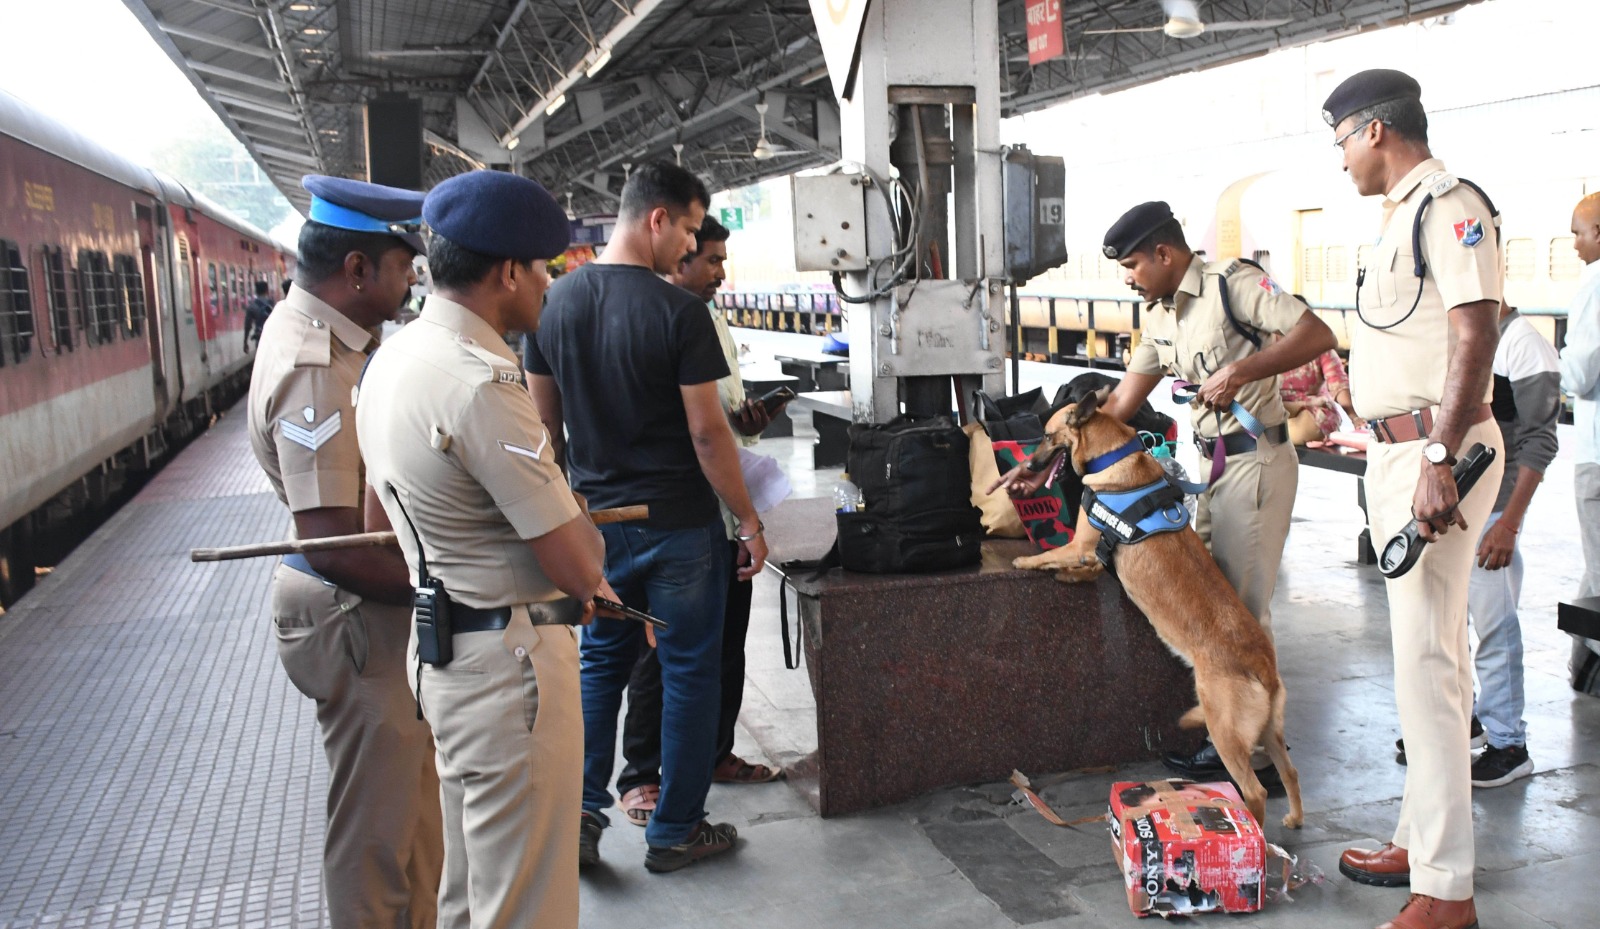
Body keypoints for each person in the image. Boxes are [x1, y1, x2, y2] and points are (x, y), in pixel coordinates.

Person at [1007, 201, 1336, 788]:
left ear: (1164, 254)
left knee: (1241, 609)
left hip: (1256, 461)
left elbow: (1318, 333)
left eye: (1133, 265)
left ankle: (1249, 756)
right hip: (1209, 467)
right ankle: (1227, 730)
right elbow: (1117, 407)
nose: (1128, 279)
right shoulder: (1160, 316)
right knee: (1207, 601)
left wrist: (1242, 371)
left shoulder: (1232, 286)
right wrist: (1046, 463)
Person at [357, 169, 608, 929]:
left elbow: (376, 515)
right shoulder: (481, 384)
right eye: (542, 268)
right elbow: (580, 565)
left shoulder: (392, 360)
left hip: (444, 656)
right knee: (527, 903)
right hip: (509, 671)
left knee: (470, 898)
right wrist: (577, 522)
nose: (547, 283)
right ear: (507, 273)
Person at [524, 161, 768, 873]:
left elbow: (544, 430)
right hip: (681, 527)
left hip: (599, 526)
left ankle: (582, 815)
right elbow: (708, 434)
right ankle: (676, 830)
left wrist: (568, 519)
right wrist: (748, 520)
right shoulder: (680, 313)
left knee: (600, 665)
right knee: (689, 673)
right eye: (688, 230)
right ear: (656, 218)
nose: (691, 246)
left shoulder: (553, 305)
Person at [1322, 69, 1505, 929]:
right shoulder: (1399, 218)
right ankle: (1420, 836)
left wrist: (1436, 454)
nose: (1341, 159)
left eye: (1341, 141)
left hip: (1440, 455)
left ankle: (1447, 888)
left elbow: (1476, 331)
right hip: (1403, 453)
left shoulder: (1449, 205)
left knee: (1426, 668)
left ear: (1375, 130)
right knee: (1435, 663)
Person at [245, 175, 441, 929]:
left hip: (371, 604)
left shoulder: (328, 338)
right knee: (378, 832)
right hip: (356, 610)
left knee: (415, 820)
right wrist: (446, 590)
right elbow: (333, 543)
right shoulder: (316, 366)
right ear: (357, 269)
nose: (411, 282)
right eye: (403, 267)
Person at [609, 216, 782, 829]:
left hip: (722, 509)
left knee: (725, 644)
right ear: (678, 255)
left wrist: (748, 419)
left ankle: (714, 753)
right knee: (659, 654)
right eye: (710, 258)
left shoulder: (710, 319)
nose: (720, 272)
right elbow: (690, 431)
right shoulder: (655, 321)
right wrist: (749, 520)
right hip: (675, 517)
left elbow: (720, 420)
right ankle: (641, 776)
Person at [1462, 304, 1560, 786]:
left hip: (1495, 511)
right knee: (1451, 624)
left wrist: (1510, 524)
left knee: (1495, 627)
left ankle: (1508, 744)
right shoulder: (1464, 332)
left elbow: (1541, 441)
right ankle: (1467, 719)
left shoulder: (1522, 343)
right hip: (1458, 505)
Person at [1561, 192, 1600, 693]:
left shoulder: (1594, 285)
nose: (1574, 245)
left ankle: (1587, 669)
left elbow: (1580, 375)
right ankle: (1583, 668)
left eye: (1577, 233)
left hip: (1597, 456)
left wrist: (1558, 360)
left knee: (1599, 570)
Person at [1280, 348, 1360, 443]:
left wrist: (1355, 418)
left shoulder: (1320, 347)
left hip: (1313, 412)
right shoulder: (1266, 349)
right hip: (1274, 409)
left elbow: (1339, 386)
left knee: (1297, 432)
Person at [242, 280, 274, 351]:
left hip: (260, 339)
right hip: (274, 339)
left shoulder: (252, 307)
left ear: (256, 291)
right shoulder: (273, 304)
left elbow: (247, 326)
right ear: (267, 290)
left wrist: (245, 342)